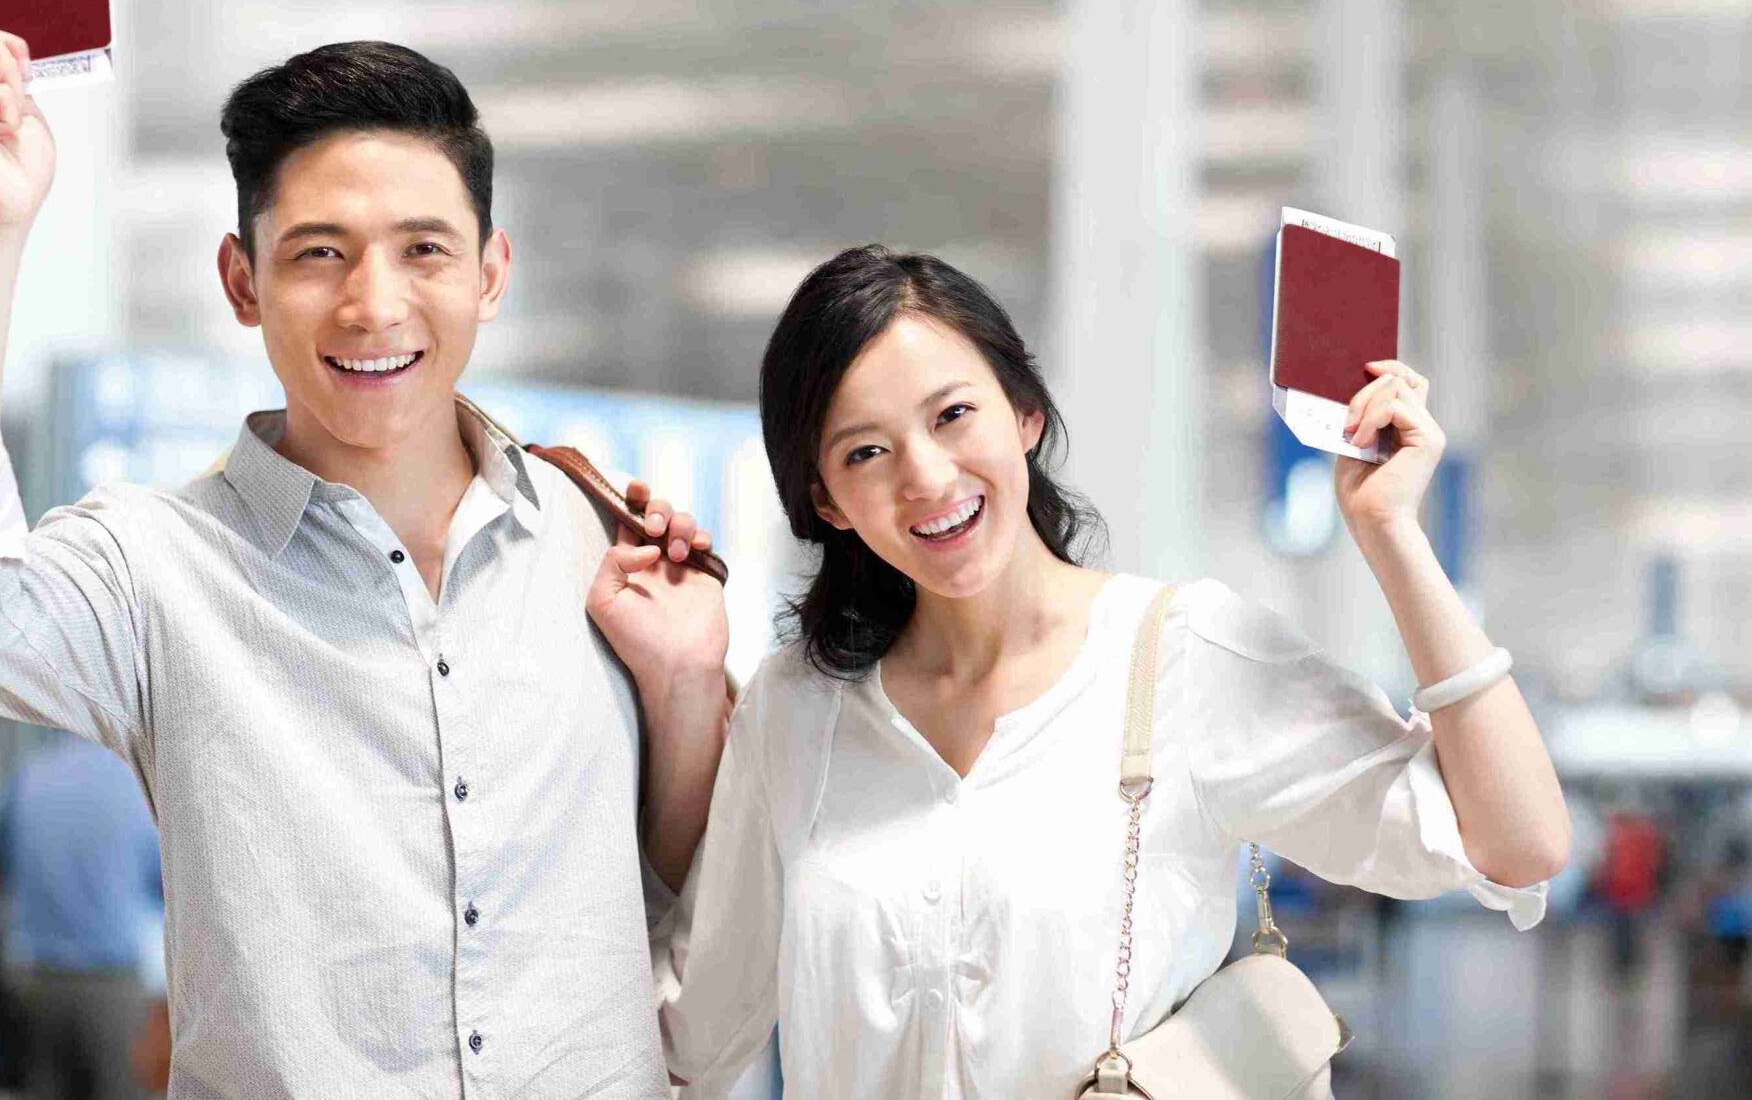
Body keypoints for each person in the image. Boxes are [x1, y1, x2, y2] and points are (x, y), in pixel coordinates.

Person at [0, 31, 730, 1096]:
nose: (372, 304)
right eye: (318, 252)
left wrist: (686, 686)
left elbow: (664, 901)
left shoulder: (592, 535)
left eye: (423, 250)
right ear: (242, 281)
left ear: (489, 274)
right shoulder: (155, 568)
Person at [634, 245, 1571, 1098]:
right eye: (865, 451)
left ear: (1027, 415)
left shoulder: (1182, 658)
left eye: (954, 414)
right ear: (827, 501)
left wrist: (1392, 533)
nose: (924, 476)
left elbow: (1516, 843)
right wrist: (675, 678)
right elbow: (697, 1036)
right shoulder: (798, 711)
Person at [0, 731, 165, 1100]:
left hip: (33, 981)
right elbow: (167, 883)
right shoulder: (134, 784)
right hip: (112, 984)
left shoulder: (27, 773)